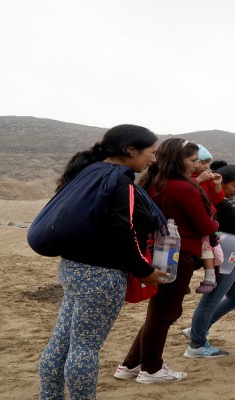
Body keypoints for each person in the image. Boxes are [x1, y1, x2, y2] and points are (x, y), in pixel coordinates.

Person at [39, 125, 169, 399]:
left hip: (72, 268)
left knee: (61, 342)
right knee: (85, 348)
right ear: (130, 150)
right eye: (151, 152)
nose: (153, 159)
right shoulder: (119, 181)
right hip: (101, 276)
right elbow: (124, 233)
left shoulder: (88, 172)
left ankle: (49, 396)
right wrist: (144, 271)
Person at [114, 138, 219, 384]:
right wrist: (215, 223)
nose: (195, 166)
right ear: (178, 160)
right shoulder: (183, 188)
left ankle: (131, 364)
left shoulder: (152, 183)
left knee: (160, 310)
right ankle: (151, 369)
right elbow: (204, 224)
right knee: (165, 313)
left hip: (159, 251)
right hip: (179, 254)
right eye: (193, 160)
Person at [183, 164, 235, 358]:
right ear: (221, 182)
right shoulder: (221, 202)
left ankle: (197, 329)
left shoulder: (230, 200)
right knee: (211, 300)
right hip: (227, 252)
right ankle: (197, 344)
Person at [191, 144, 224, 294]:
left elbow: (216, 199)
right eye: (203, 162)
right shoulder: (188, 178)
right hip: (195, 218)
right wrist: (198, 179)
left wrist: (217, 185)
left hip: (208, 218)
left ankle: (211, 276)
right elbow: (187, 190)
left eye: (207, 163)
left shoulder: (208, 179)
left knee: (209, 247)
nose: (207, 166)